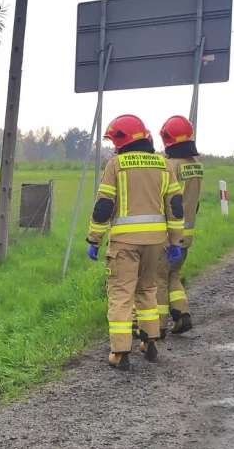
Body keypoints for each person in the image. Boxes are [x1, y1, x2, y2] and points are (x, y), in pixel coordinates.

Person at [86, 114, 185, 371]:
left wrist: (94, 239)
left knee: (121, 295)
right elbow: (175, 207)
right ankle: (149, 341)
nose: (113, 146)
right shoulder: (163, 164)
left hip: (124, 244)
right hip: (156, 243)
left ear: (122, 139)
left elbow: (104, 205)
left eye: (114, 141)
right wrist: (175, 241)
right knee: (148, 289)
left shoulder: (116, 165)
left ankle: (119, 352)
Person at [158, 115, 203, 334]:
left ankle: (155, 329)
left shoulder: (170, 166)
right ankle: (181, 315)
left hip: (170, 235)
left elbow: (165, 201)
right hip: (188, 234)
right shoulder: (196, 165)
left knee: (159, 279)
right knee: (173, 275)